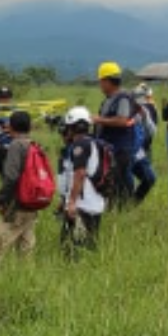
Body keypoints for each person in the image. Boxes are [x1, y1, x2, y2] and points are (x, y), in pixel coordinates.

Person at [0, 110, 43, 259]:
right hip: (33, 201)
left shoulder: (16, 146)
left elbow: (10, 177)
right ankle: (26, 278)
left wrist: (2, 199)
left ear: (10, 127)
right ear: (30, 127)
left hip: (18, 203)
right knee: (26, 246)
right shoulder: (34, 145)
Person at [57, 106, 106, 254]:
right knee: (88, 244)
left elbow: (80, 173)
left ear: (71, 126)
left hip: (83, 204)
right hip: (94, 201)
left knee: (71, 248)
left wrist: (71, 201)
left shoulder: (80, 146)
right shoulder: (94, 142)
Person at [92, 61, 137, 207]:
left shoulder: (122, 98)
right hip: (109, 148)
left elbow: (122, 121)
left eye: (101, 81)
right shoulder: (109, 100)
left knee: (118, 184)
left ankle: (121, 211)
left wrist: (98, 119)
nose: (100, 85)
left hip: (119, 149)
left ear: (107, 81)